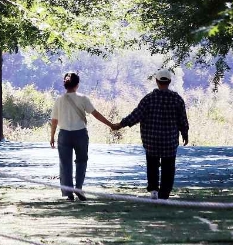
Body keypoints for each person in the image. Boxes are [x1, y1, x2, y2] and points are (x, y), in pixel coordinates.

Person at [114, 69, 189, 199]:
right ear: (169, 82)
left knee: (152, 165)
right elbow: (182, 119)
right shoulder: (177, 99)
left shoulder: (149, 99)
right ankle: (164, 193)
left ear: (156, 81)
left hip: (151, 140)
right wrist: (185, 134)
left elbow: (136, 115)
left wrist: (120, 125)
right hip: (169, 141)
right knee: (168, 167)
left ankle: (154, 189)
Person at [50, 72, 115, 201]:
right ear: (77, 85)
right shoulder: (83, 98)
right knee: (81, 161)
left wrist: (52, 136)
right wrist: (111, 124)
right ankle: (78, 187)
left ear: (65, 85)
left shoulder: (59, 100)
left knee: (65, 164)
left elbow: (54, 121)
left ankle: (68, 192)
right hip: (80, 133)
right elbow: (95, 114)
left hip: (64, 134)